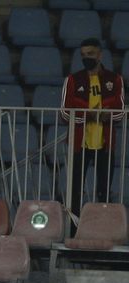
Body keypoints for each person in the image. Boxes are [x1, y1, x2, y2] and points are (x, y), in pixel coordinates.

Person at [63, 38, 124, 212]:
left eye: (90, 54)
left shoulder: (115, 80)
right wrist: (86, 115)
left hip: (105, 145)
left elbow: (120, 113)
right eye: (83, 55)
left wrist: (107, 116)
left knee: (104, 192)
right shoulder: (73, 80)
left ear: (100, 55)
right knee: (75, 192)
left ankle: (101, 229)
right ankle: (73, 230)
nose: (86, 58)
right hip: (79, 145)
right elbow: (64, 114)